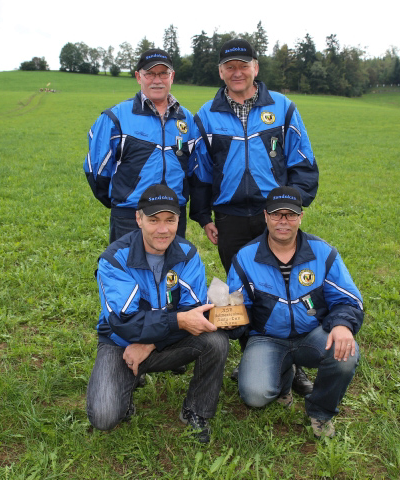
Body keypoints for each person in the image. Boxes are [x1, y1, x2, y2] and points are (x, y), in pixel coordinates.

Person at [190, 38, 319, 395]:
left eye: (243, 65)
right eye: (229, 67)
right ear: (221, 72)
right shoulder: (206, 115)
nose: (237, 72)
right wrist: (203, 216)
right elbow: (200, 172)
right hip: (229, 217)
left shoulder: (282, 108)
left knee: (283, 288)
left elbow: (303, 162)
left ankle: (292, 367)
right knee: (242, 293)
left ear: (255, 68)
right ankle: (256, 357)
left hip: (272, 216)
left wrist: (292, 208)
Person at [85, 185, 228, 443]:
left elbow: (193, 314)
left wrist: (151, 344)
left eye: (170, 220)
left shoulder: (188, 255)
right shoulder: (114, 260)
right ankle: (127, 386)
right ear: (138, 219)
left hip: (164, 341)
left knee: (215, 341)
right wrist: (176, 321)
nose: (163, 229)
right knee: (104, 417)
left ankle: (196, 410)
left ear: (178, 221)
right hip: (122, 344)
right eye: (154, 220)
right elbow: (124, 323)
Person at [227, 187, 363, 438]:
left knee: (346, 353)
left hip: (313, 334)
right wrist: (230, 321)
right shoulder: (245, 257)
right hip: (266, 338)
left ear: (301, 217)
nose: (283, 221)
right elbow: (238, 306)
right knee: (255, 395)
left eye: (290, 215)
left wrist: (342, 324)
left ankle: (320, 411)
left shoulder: (323, 252)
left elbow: (348, 299)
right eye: (276, 215)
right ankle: (283, 378)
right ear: (265, 216)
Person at [84, 48, 196, 243]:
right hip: (130, 217)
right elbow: (97, 171)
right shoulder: (115, 117)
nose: (157, 80)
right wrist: (124, 200)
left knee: (173, 264)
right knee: (127, 263)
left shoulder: (187, 119)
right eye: (150, 74)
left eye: (163, 73)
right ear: (138, 77)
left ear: (172, 77)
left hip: (173, 216)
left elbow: (195, 167)